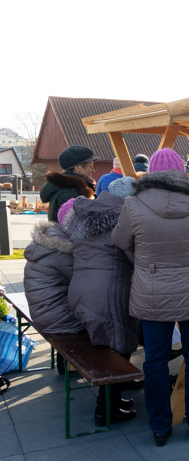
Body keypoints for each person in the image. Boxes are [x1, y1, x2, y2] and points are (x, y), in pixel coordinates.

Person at [112, 148, 189, 446]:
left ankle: (160, 427)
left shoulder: (133, 203)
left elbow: (120, 240)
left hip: (152, 291)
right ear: (181, 172)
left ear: (150, 174)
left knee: (155, 361)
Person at [67, 176, 142, 426]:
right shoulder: (122, 219)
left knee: (106, 345)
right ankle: (106, 411)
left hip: (82, 289)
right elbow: (136, 258)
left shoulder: (85, 214)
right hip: (109, 291)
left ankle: (118, 391)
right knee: (117, 344)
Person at [23, 205, 85, 337]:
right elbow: (84, 282)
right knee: (105, 322)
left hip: (43, 312)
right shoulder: (62, 250)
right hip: (57, 319)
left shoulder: (47, 239)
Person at [40, 145, 98, 222]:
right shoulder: (72, 192)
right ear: (77, 168)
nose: (93, 170)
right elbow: (76, 226)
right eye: (90, 167)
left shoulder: (66, 187)